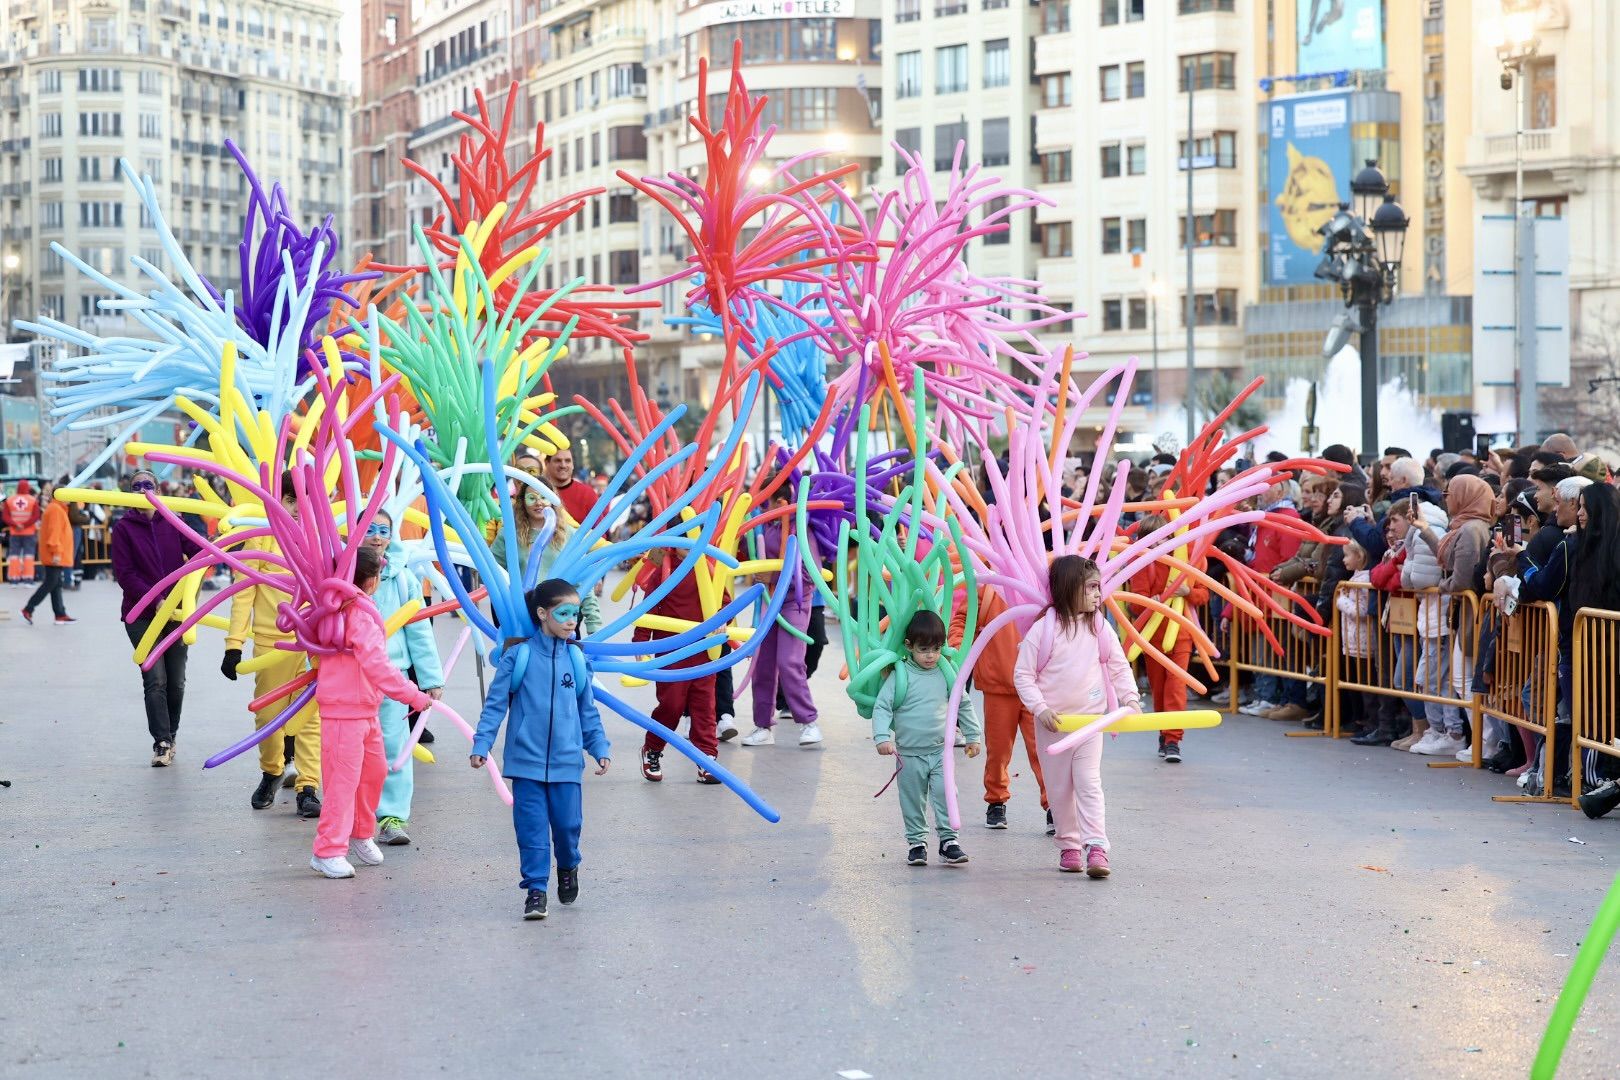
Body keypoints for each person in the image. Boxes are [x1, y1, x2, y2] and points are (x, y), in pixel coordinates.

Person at [472, 578, 611, 921]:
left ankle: (568, 865)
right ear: (542, 613)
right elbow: (495, 705)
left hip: (567, 762)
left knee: (567, 827)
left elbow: (587, 710)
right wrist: (482, 743)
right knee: (531, 831)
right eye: (563, 613)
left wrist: (598, 746)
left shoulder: (576, 659)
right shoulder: (517, 657)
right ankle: (535, 890)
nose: (571, 621)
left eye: (575, 614)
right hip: (525, 762)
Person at [309, 546, 438, 879]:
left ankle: (360, 832)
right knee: (342, 783)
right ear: (371, 580)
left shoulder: (352, 609)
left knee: (373, 772)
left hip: (365, 708)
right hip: (344, 710)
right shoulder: (352, 612)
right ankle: (327, 850)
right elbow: (378, 665)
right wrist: (412, 695)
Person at [1014, 555, 1142, 878]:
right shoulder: (1043, 630)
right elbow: (1023, 675)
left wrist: (1130, 698)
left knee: (1088, 782)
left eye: (1100, 587)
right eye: (1092, 587)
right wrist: (1040, 708)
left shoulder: (1100, 627)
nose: (1099, 594)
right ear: (1070, 588)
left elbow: (1118, 666)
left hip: (1090, 723)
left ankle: (1096, 845)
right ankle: (1069, 846)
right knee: (1058, 790)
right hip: (1054, 726)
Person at [222, 472, 323, 817]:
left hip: (312, 646)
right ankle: (272, 772)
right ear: (278, 500)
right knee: (268, 716)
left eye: (302, 501)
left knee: (310, 720)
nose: (295, 508)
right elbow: (243, 592)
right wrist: (233, 645)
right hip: (271, 647)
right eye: (290, 499)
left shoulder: (319, 539)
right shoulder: (261, 537)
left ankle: (308, 787)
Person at [362, 510, 445, 846]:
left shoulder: (403, 578)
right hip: (352, 679)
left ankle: (392, 816)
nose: (377, 536)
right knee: (351, 749)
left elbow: (419, 630)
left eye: (384, 530)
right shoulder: (342, 572)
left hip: (392, 679)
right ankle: (352, 816)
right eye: (370, 529)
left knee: (395, 746)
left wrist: (430, 678)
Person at [873, 610, 981, 867]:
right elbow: (882, 706)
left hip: (940, 752)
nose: (931, 655)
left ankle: (949, 841)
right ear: (909, 646)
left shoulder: (946, 672)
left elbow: (962, 703)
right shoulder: (900, 674)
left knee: (946, 793)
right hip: (909, 754)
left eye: (936, 649)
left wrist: (973, 734)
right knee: (912, 799)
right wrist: (881, 737)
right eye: (924, 649)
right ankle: (916, 843)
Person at [109, 469, 198, 766]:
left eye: (149, 485)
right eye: (137, 486)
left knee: (177, 682)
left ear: (158, 491)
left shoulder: (173, 521)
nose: (143, 490)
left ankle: (171, 735)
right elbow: (125, 574)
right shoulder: (123, 529)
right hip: (142, 615)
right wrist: (155, 599)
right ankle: (161, 742)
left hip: (176, 613)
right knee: (155, 679)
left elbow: (198, 550)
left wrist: (221, 540)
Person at [949, 584, 1051, 833]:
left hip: (1037, 688)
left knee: (1043, 752)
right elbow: (962, 621)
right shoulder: (986, 591)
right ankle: (996, 802)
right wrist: (957, 650)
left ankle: (1054, 806)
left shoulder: (1041, 585)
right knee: (998, 751)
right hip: (998, 684)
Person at [1405, 474, 1491, 757]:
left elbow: (1461, 580)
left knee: (1466, 681)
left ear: (1465, 496)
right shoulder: (1466, 527)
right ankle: (1482, 743)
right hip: (1467, 614)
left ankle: (1484, 743)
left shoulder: (1471, 530)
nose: (1445, 498)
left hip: (1470, 615)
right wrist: (1424, 528)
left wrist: (1442, 586)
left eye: (1449, 492)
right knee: (1463, 680)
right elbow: (1448, 558)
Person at [740, 485, 823, 748]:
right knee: (762, 664)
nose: (762, 508)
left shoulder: (802, 530)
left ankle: (809, 722)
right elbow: (747, 555)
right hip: (768, 602)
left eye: (766, 502)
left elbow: (810, 574)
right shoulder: (763, 528)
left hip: (794, 603)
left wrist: (773, 576)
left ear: (780, 502)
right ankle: (762, 726)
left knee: (789, 661)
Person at [634, 545, 722, 785]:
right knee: (671, 705)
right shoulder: (663, 567)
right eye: (686, 538)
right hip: (671, 649)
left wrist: (724, 619)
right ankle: (652, 749)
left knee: (704, 706)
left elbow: (724, 601)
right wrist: (641, 641)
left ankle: (707, 758)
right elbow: (649, 605)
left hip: (703, 649)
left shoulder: (709, 568)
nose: (691, 544)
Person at [1128, 515, 1208, 759]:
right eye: (1150, 539)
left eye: (1161, 538)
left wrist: (1187, 592)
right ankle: (1164, 734)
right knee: (1160, 688)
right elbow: (1135, 603)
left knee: (1175, 686)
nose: (1156, 543)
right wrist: (1151, 602)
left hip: (1180, 635)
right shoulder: (1141, 563)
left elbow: (1204, 594)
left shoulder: (1183, 560)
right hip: (1153, 637)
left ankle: (1173, 739)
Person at [491, 485, 602, 633]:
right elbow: (492, 573)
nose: (539, 503)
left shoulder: (569, 534)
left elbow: (582, 580)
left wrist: (593, 623)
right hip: (520, 618)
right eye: (532, 498)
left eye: (544, 497)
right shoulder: (509, 534)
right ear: (522, 501)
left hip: (561, 618)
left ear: (553, 500)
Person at [21, 482, 76, 625]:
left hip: (55, 554)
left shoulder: (57, 508)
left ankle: (60, 614)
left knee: (55, 584)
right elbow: (54, 533)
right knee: (51, 583)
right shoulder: (56, 510)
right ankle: (28, 609)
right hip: (54, 555)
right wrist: (56, 553)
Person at [545, 447, 599, 529]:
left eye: (567, 461)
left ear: (573, 464)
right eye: (557, 461)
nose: (563, 465)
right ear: (547, 463)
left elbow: (600, 529)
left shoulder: (587, 493)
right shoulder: (539, 492)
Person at [4, 478, 41, 582]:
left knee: (14, 556)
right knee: (28, 556)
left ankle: (14, 579)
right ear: (27, 488)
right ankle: (28, 579)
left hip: (14, 532)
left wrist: (16, 525)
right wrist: (24, 525)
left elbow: (5, 516)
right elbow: (36, 516)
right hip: (29, 532)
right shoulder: (32, 500)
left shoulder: (10, 500)